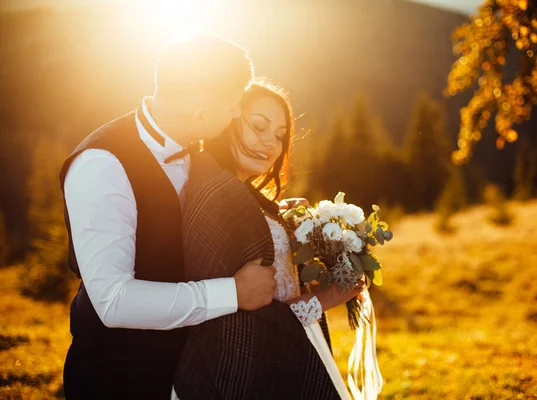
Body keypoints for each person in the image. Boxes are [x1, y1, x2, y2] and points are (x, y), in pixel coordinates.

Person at [59, 34, 278, 399]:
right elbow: (114, 302)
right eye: (234, 105)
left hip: (194, 371)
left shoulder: (201, 148)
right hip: (120, 378)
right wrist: (233, 293)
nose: (238, 113)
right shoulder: (102, 165)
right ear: (200, 113)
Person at [172, 81, 361, 400]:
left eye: (279, 135)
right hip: (240, 372)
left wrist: (283, 220)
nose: (270, 143)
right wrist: (322, 300)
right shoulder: (217, 195)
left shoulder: (239, 194)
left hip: (273, 362)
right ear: (228, 120)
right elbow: (227, 321)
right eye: (259, 126)